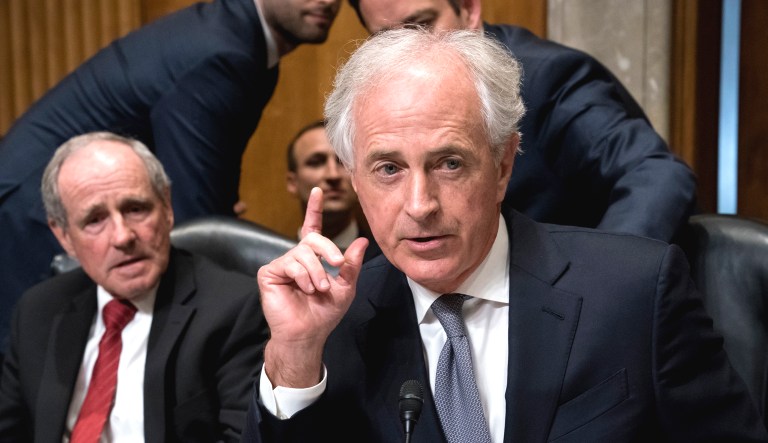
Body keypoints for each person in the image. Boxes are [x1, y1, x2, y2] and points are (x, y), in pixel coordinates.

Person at [241, 29, 766, 441]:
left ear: (502, 165)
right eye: (388, 169)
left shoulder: (635, 293)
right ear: (354, 178)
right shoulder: (329, 326)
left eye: (449, 163)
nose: (420, 206)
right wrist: (295, 357)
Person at [0, 0, 340, 359]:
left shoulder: (242, 41)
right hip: (32, 215)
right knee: (36, 376)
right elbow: (197, 222)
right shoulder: (224, 50)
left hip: (42, 202)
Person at [349, 0, 697, 243]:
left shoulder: (551, 78)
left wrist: (599, 281)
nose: (411, 49)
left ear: (469, 10)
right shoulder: (386, 100)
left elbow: (657, 176)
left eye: (423, 26)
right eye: (388, 39)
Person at [0, 132, 270, 441]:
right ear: (63, 236)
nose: (122, 236)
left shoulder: (234, 307)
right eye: (95, 220)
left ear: (166, 207)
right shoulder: (39, 309)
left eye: (136, 209)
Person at [286, 120, 380, 261]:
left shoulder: (390, 262)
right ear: (292, 183)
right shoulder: (269, 262)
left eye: (343, 161)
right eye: (316, 162)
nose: (333, 175)